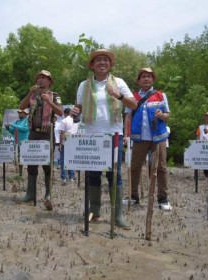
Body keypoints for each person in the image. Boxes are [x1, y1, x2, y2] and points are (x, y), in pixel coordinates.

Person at [72, 49, 137, 228]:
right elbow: (78, 110)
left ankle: (117, 216)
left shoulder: (119, 82)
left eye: (106, 60)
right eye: (98, 60)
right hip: (91, 135)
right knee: (93, 175)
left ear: (110, 64)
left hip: (114, 134)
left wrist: (119, 95)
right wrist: (75, 112)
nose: (102, 62)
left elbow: (134, 104)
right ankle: (95, 211)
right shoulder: (83, 86)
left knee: (114, 175)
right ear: (92, 65)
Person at [124, 67, 171, 211]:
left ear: (153, 79)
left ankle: (163, 199)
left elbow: (168, 114)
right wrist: (126, 135)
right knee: (135, 167)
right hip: (139, 138)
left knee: (161, 168)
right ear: (138, 80)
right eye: (143, 76)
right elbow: (128, 116)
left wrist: (162, 115)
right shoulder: (132, 97)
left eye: (149, 76)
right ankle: (133, 196)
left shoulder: (160, 95)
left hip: (158, 138)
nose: (146, 78)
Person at [19, 70, 63, 202]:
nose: (41, 80)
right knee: (31, 163)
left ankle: (48, 194)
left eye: (44, 78)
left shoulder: (55, 96)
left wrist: (49, 102)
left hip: (47, 134)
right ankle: (30, 194)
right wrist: (30, 93)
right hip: (33, 133)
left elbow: (60, 112)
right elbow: (21, 107)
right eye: (39, 77)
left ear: (49, 81)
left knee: (47, 164)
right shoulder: (32, 95)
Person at [5, 108, 30, 175]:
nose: (19, 114)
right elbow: (12, 131)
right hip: (17, 143)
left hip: (25, 142)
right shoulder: (17, 121)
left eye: (20, 112)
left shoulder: (27, 120)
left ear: (25, 114)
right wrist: (8, 128)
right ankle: (19, 174)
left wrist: (13, 125)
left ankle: (29, 174)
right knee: (18, 159)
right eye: (18, 113)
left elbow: (25, 129)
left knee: (26, 159)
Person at [59, 107, 78, 185]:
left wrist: (60, 144)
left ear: (65, 113)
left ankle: (64, 177)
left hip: (66, 141)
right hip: (74, 141)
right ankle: (72, 177)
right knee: (72, 160)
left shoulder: (64, 121)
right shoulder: (76, 121)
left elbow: (62, 133)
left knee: (63, 160)